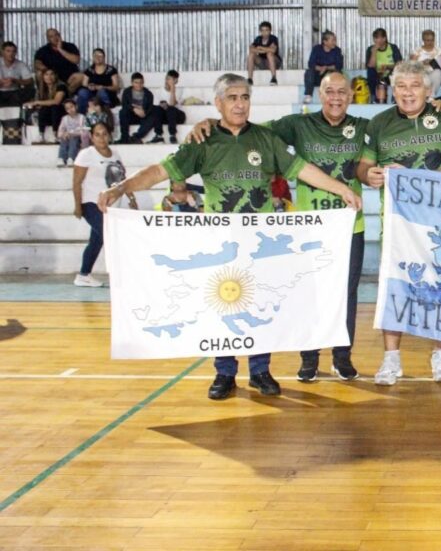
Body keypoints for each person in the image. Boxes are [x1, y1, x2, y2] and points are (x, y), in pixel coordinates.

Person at [97, 73, 361, 401]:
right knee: (223, 306)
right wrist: (121, 187)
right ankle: (224, 373)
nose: (240, 103)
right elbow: (161, 171)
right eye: (232, 98)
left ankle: (261, 371)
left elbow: (302, 169)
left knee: (259, 304)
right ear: (218, 103)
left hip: (260, 245)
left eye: (245, 97)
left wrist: (342, 189)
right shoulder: (203, 142)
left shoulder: (265, 139)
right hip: (219, 244)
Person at [190, 71, 372, 383]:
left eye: (343, 92)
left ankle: (342, 356)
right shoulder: (296, 125)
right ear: (319, 94)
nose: (336, 97)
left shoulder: (365, 127)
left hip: (348, 226)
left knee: (346, 293)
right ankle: (309, 358)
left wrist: (438, 103)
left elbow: (402, 123)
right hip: (307, 228)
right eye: (330, 91)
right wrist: (207, 120)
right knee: (308, 293)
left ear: (351, 96)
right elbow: (245, 130)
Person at [357, 61, 441, 386]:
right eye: (401, 86)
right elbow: (364, 167)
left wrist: (423, 184)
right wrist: (370, 175)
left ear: (428, 90)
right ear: (393, 89)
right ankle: (391, 359)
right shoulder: (379, 123)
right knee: (394, 288)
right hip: (397, 224)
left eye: (414, 85)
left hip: (440, 223)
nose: (407, 92)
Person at [73, 121, 131, 287]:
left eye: (104, 133)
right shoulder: (86, 154)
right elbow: (76, 182)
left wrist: (131, 199)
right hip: (91, 203)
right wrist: (78, 206)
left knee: (97, 240)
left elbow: (123, 180)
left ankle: (83, 275)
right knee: (110, 236)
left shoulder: (115, 154)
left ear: (109, 135)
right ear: (91, 137)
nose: (101, 138)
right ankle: (120, 275)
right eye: (97, 134)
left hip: (110, 206)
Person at [23, 68, 67, 143]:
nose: (49, 77)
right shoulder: (41, 88)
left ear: (56, 76)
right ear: (43, 76)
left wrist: (37, 102)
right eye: (46, 74)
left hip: (60, 113)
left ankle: (55, 134)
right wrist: (35, 103)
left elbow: (57, 101)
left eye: (51, 74)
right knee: (44, 109)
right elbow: (38, 104)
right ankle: (41, 135)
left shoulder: (61, 86)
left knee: (54, 107)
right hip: (48, 115)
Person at [118, 72, 163, 143]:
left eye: (140, 82)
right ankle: (124, 137)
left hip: (144, 116)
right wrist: (134, 109)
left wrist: (144, 113)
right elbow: (124, 104)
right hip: (132, 115)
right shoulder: (127, 92)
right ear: (132, 83)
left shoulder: (148, 94)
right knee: (123, 112)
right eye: (136, 82)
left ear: (143, 83)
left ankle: (136, 136)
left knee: (156, 110)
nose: (139, 85)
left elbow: (150, 107)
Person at [304, 31, 344, 105]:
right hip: (318, 75)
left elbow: (339, 65)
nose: (334, 42)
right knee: (309, 72)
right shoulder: (316, 49)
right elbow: (311, 64)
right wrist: (320, 68)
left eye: (335, 40)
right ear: (325, 42)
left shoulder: (337, 50)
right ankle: (308, 95)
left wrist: (326, 68)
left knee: (338, 73)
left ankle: (334, 97)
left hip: (330, 75)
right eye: (332, 40)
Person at [76, 48, 120, 113]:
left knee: (101, 92)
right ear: (93, 58)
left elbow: (116, 87)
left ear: (104, 57)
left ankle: (107, 113)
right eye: (95, 56)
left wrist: (103, 87)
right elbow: (84, 85)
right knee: (82, 92)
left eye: (100, 56)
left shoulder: (111, 70)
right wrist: (90, 86)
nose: (97, 58)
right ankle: (82, 115)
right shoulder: (89, 70)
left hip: (107, 93)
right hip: (92, 95)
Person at [365, 28, 403, 104]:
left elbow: (399, 64)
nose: (376, 41)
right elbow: (371, 65)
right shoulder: (370, 49)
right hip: (377, 74)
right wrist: (374, 52)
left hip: (390, 73)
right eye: (375, 38)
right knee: (370, 71)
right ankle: (373, 96)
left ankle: (395, 97)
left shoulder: (392, 47)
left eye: (378, 38)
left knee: (399, 71)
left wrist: (388, 66)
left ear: (384, 38)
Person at [410, 29, 441, 96]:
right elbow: (411, 66)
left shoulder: (440, 51)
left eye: (432, 40)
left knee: (437, 73)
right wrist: (422, 63)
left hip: (436, 75)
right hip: (422, 74)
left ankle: (431, 95)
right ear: (423, 40)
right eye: (427, 40)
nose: (430, 42)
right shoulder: (417, 51)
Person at [0, 41, 35, 106]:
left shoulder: (20, 64)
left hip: (14, 92)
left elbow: (30, 80)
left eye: (13, 51)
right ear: (2, 52)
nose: (11, 54)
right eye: (8, 51)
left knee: (31, 90)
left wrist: (15, 80)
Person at [247, 21, 280, 85]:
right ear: (260, 31)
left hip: (274, 62)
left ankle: (274, 78)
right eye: (262, 30)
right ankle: (250, 79)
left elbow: (273, 50)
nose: (264, 32)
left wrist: (260, 48)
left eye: (266, 30)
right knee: (251, 55)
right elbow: (251, 49)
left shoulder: (273, 38)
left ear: (270, 31)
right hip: (262, 63)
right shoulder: (258, 39)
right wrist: (266, 49)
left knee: (269, 54)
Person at [57, 99, 88, 167]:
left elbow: (84, 131)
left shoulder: (82, 117)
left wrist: (72, 133)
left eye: (71, 107)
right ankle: (61, 158)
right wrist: (63, 134)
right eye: (67, 108)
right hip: (68, 137)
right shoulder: (64, 118)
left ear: (76, 106)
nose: (70, 110)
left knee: (74, 139)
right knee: (64, 139)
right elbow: (60, 132)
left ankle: (71, 158)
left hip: (78, 138)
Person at [158, 70, 186, 144]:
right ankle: (158, 135)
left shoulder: (180, 90)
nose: (167, 81)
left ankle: (172, 134)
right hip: (165, 116)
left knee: (171, 109)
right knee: (157, 110)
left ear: (175, 80)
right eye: (166, 78)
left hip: (177, 116)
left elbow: (172, 104)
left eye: (169, 79)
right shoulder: (160, 90)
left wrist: (172, 89)